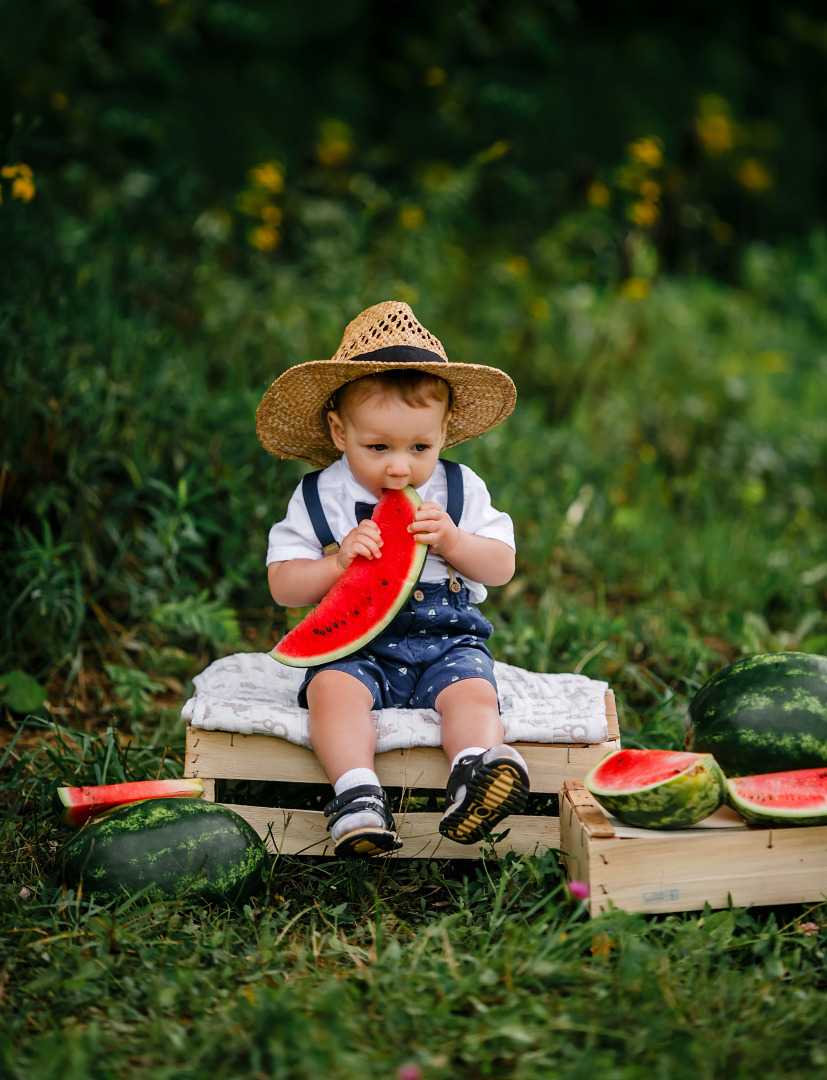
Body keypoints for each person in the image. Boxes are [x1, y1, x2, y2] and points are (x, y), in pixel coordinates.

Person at [256, 301, 530, 856]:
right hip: (357, 649)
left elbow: (501, 567)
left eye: (419, 448)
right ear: (339, 431)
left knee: (474, 695)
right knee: (331, 692)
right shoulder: (319, 497)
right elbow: (283, 585)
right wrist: (336, 566)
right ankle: (357, 795)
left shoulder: (460, 488)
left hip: (446, 640)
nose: (400, 468)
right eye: (377, 447)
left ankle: (472, 777)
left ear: (445, 433)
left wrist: (455, 541)